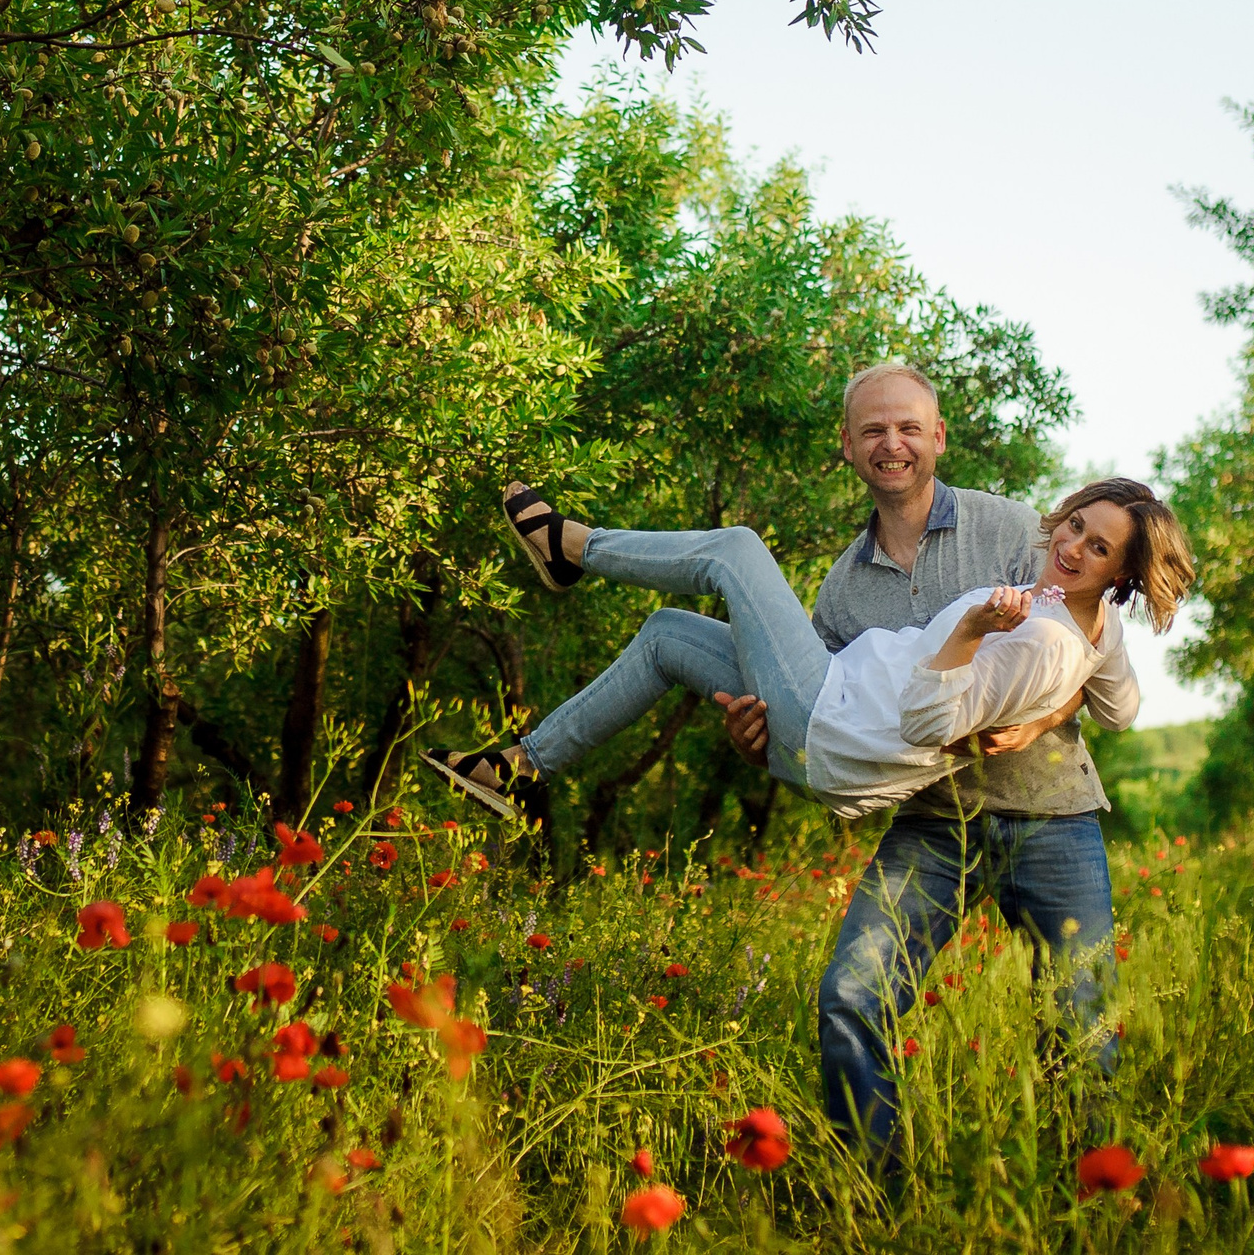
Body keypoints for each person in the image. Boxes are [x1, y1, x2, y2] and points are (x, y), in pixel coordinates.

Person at [425, 364, 1195, 1160]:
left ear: (937, 437)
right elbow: (828, 713)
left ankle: (1095, 1208)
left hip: (1049, 818)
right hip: (932, 820)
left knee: (1080, 1024)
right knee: (853, 995)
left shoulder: (1015, 530)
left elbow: (1092, 648)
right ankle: (521, 766)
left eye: (907, 428)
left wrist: (1045, 715)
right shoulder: (841, 585)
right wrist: (756, 735)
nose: (891, 444)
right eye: (873, 431)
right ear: (850, 450)